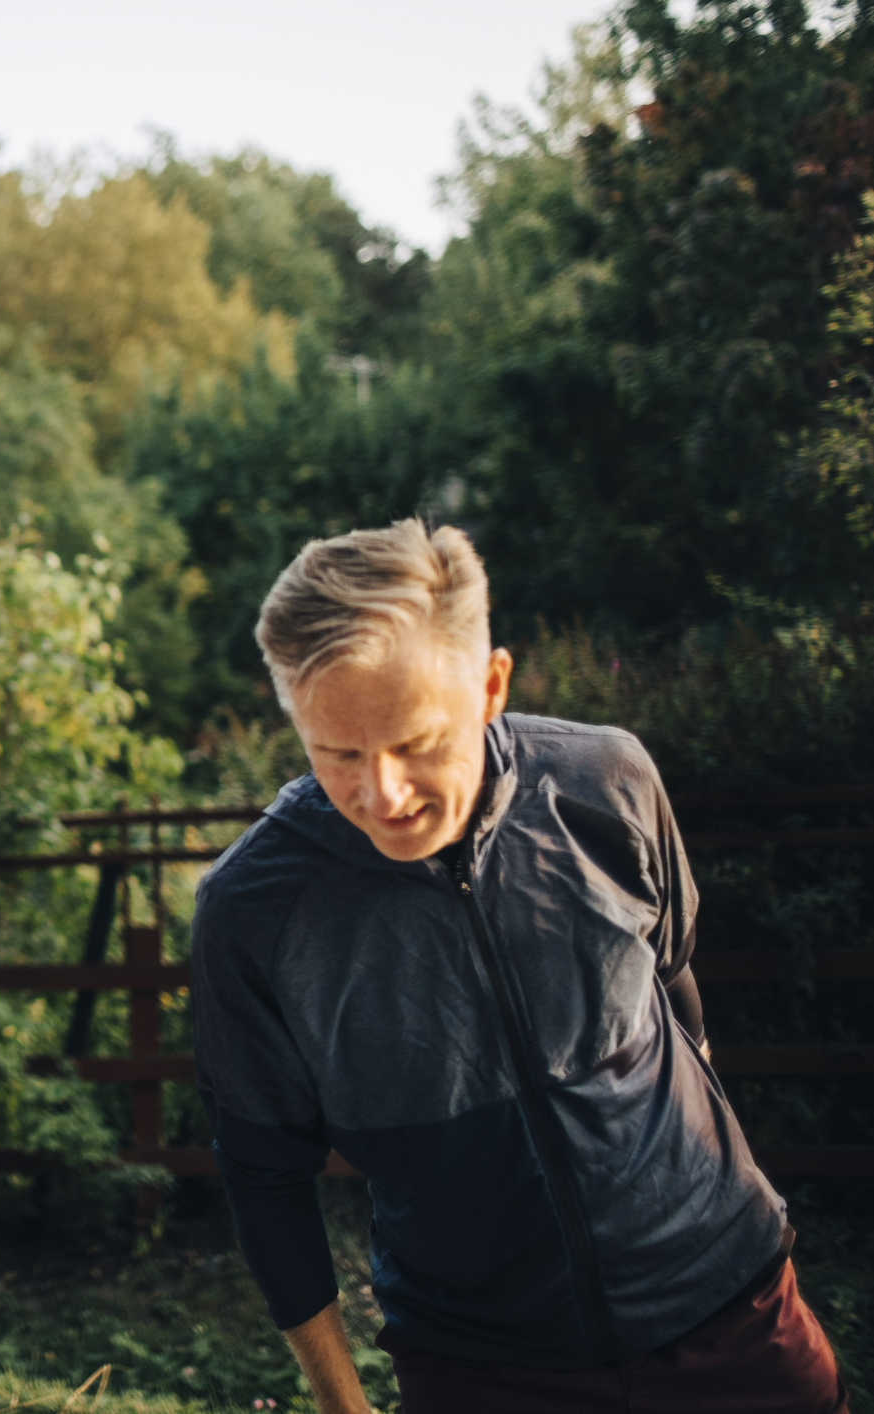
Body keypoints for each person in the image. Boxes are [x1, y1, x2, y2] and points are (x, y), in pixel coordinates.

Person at [191, 519, 850, 1414]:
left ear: (491, 684)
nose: (380, 796)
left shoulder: (606, 780)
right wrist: (345, 1408)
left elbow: (674, 988)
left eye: (414, 742)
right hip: (479, 1367)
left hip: (732, 1313)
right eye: (337, 753)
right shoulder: (250, 911)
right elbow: (264, 1175)